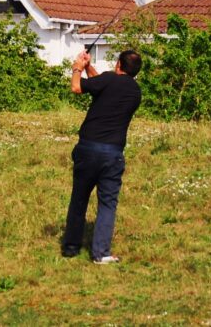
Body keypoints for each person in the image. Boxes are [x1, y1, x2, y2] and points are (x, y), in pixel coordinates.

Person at [62, 49, 142, 264]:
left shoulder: (108, 79)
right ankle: (101, 253)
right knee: (107, 203)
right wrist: (88, 67)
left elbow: (77, 87)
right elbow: (101, 85)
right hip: (113, 153)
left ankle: (70, 248)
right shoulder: (135, 92)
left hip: (87, 148)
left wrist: (78, 67)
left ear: (118, 65)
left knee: (79, 198)